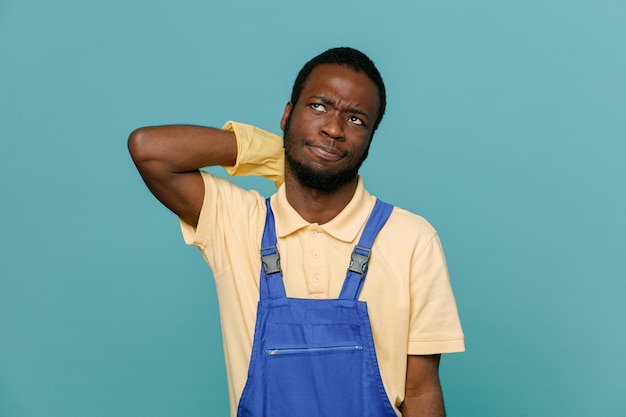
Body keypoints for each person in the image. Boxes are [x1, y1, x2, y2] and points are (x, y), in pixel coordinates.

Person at [128, 47, 464, 417]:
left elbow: (420, 391)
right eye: (318, 107)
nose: (333, 129)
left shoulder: (411, 239)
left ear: (370, 139)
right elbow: (150, 150)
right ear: (288, 114)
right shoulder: (237, 222)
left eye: (355, 119)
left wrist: (305, 147)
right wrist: (276, 150)